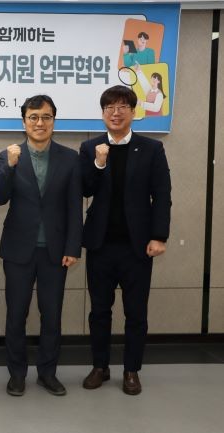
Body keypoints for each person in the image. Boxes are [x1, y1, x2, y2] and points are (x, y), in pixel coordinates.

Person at [80, 85, 171, 395]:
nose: (115, 113)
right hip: (100, 245)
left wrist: (159, 236)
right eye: (109, 108)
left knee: (136, 312)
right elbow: (84, 189)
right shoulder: (90, 148)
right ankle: (100, 367)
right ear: (103, 113)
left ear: (134, 112)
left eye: (122, 107)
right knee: (99, 311)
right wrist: (98, 163)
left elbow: (162, 195)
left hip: (138, 246)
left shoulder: (151, 149)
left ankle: (131, 370)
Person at [0, 95, 83, 397]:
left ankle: (48, 373)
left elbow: (74, 206)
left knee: (52, 315)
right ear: (24, 122)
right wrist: (9, 167)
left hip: (55, 252)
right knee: (16, 315)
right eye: (33, 117)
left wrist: (73, 247)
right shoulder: (9, 155)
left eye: (46, 117)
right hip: (18, 250)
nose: (40, 123)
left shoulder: (70, 158)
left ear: (54, 121)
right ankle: (16, 375)